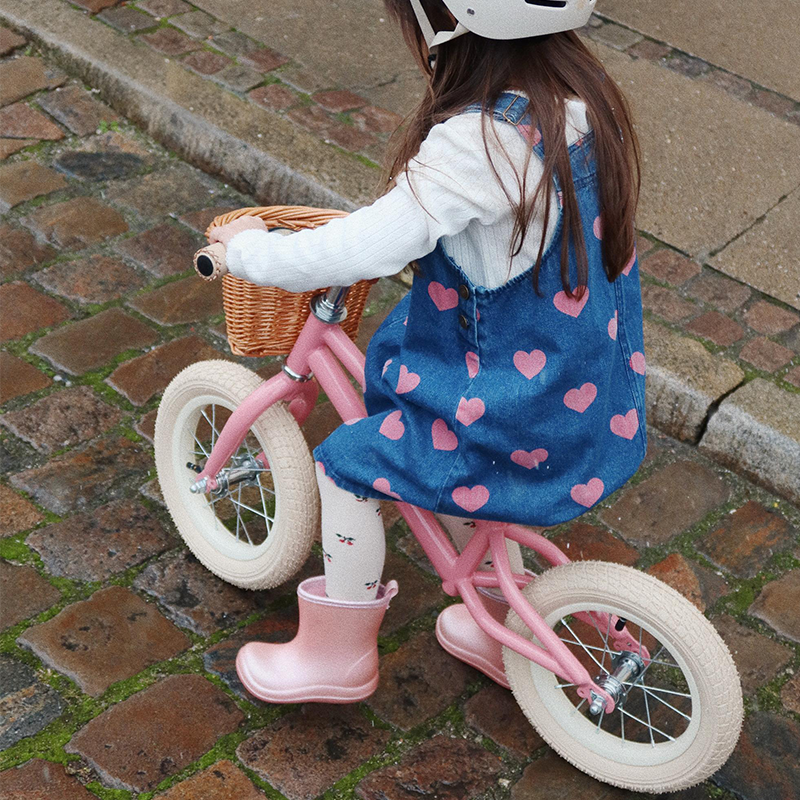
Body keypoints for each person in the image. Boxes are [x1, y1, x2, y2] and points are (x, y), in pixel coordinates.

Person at [208, 0, 645, 704]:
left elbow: (366, 247)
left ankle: (336, 657)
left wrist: (254, 255)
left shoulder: (477, 143)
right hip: (577, 389)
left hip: (508, 409)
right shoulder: (580, 98)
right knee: (399, 367)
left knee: (348, 465)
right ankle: (499, 619)